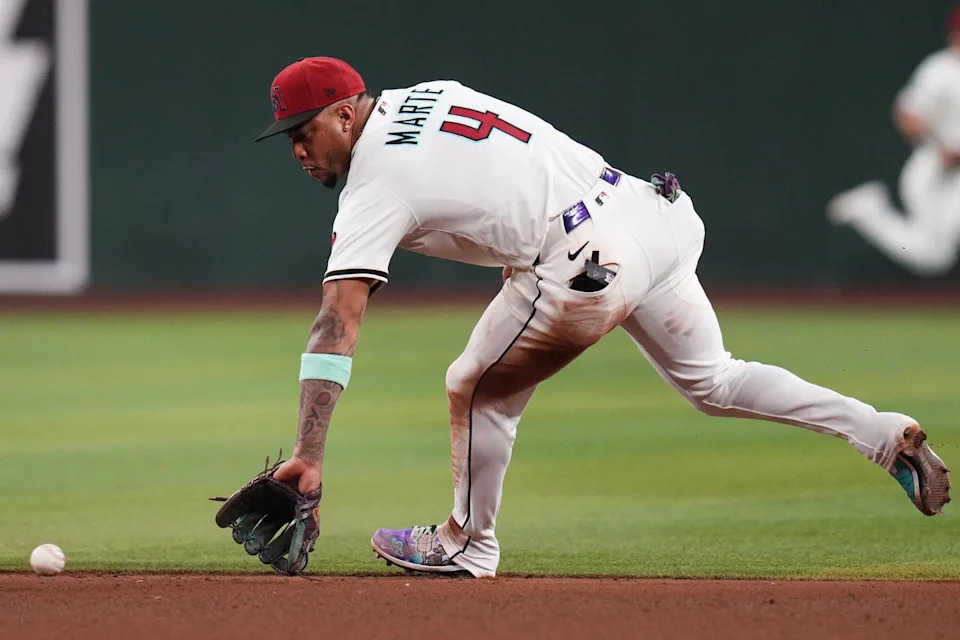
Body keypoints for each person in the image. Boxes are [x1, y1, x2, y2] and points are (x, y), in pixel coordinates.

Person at [256, 56, 950, 578]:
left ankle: (467, 544)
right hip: (652, 211)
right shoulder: (427, 95)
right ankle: (884, 434)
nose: (296, 148)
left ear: (346, 115)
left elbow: (335, 322)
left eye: (304, 129)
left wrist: (310, 453)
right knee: (714, 380)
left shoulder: (375, 184)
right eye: (288, 135)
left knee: (475, 388)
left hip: (588, 257)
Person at [827, 7, 960, 276]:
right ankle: (869, 213)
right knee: (935, 257)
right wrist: (939, 146)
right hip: (935, 173)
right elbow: (906, 114)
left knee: (936, 255)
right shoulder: (940, 70)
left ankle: (870, 212)